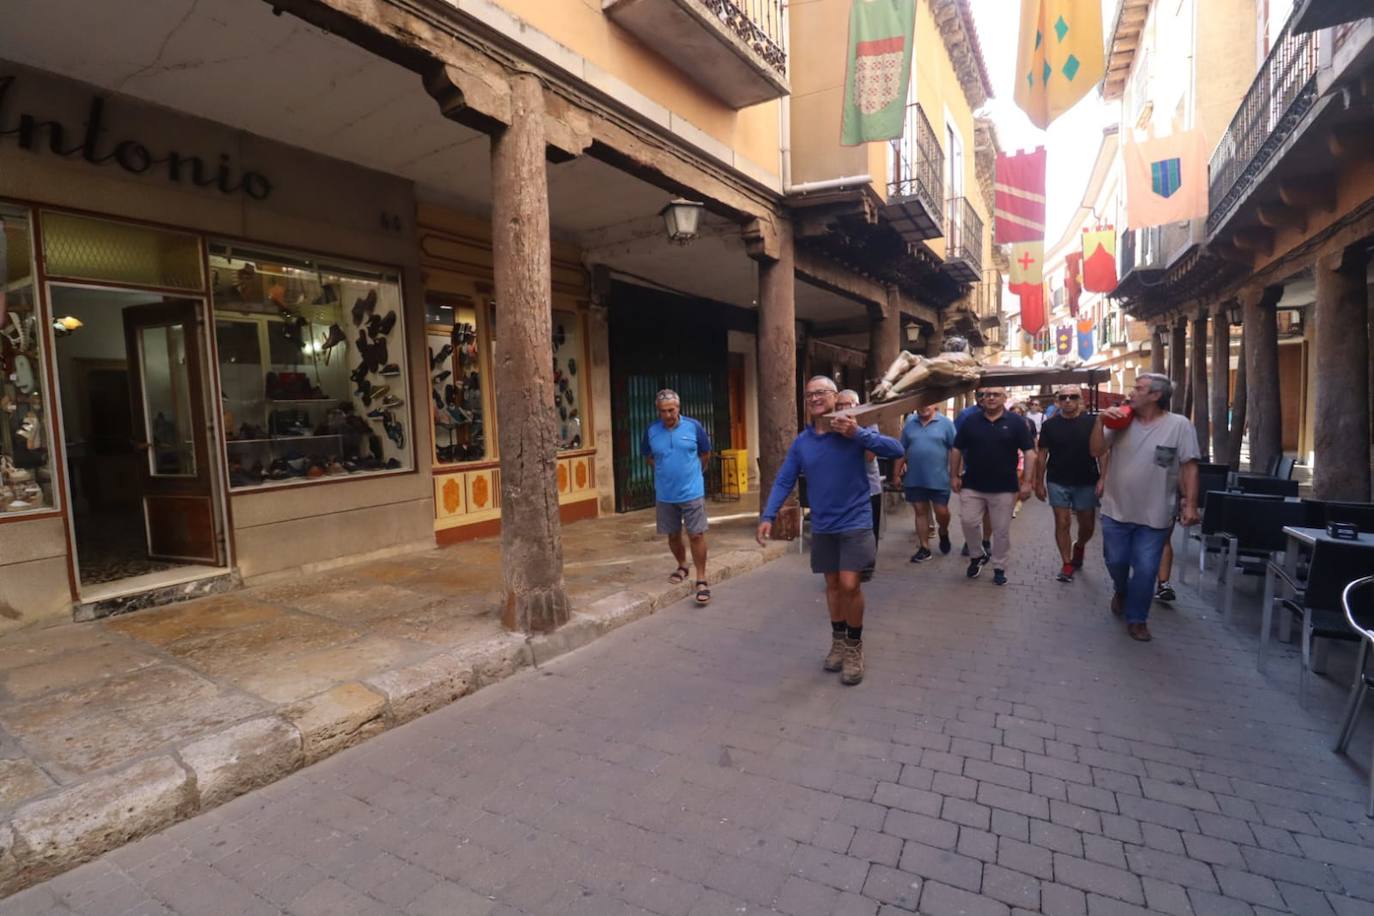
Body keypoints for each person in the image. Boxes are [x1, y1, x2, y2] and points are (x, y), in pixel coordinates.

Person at [757, 376, 903, 685]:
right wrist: (768, 515)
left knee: (851, 584)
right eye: (809, 394)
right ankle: (838, 640)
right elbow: (785, 479)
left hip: (856, 520)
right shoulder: (803, 442)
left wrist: (858, 433)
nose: (814, 398)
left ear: (835, 397)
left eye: (821, 392)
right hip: (824, 525)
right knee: (833, 585)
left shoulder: (852, 431)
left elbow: (895, 448)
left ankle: (854, 645)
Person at [1090, 373, 1200, 642]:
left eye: (1138, 388)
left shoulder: (1179, 426)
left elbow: (1189, 466)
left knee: (1147, 569)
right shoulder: (1120, 421)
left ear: (1155, 396)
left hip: (1157, 513)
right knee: (1116, 561)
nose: (1131, 392)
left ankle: (1137, 618)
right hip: (1116, 509)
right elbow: (1095, 450)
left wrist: (1191, 504)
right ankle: (1121, 589)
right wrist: (1100, 420)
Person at [949, 386, 1035, 586]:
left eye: (996, 394)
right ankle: (977, 555)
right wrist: (953, 475)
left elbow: (1029, 452)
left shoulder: (1016, 422)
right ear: (981, 399)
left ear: (1004, 398)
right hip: (972, 483)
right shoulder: (971, 421)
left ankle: (999, 566)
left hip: (1005, 486)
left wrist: (1028, 482)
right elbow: (956, 449)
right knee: (968, 522)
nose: (991, 398)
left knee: (1001, 530)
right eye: (986, 395)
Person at [641, 388, 713, 605]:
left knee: (696, 534)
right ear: (658, 411)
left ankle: (701, 578)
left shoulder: (694, 427)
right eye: (663, 411)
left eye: (671, 410)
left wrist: (694, 476)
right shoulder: (652, 431)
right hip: (665, 495)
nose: (668, 415)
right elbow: (648, 456)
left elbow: (705, 454)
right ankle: (682, 565)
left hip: (692, 492)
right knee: (673, 535)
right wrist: (664, 473)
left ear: (678, 408)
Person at [1035, 385, 1106, 583]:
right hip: (1057, 479)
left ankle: (1080, 545)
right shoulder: (1050, 425)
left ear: (1080, 400)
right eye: (1063, 397)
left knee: (1087, 525)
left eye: (1072, 397)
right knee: (1062, 522)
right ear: (1058, 401)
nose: (1068, 401)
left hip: (1086, 480)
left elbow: (1102, 452)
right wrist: (1038, 482)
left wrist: (1103, 478)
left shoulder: (1092, 423)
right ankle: (1066, 563)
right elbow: (1042, 455)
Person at [896, 403, 956, 562]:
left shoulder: (946, 424)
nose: (924, 407)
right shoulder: (910, 423)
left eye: (928, 403)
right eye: (921, 403)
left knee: (942, 512)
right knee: (920, 512)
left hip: (939, 478)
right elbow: (902, 450)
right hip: (915, 478)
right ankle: (924, 547)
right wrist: (896, 474)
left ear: (936, 404)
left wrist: (955, 474)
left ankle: (943, 531)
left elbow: (955, 449)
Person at [836, 389, 881, 582]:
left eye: (849, 405)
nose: (844, 409)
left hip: (869, 488)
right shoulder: (834, 426)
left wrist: (854, 434)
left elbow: (870, 454)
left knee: (869, 530)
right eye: (840, 406)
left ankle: (867, 567)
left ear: (858, 405)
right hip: (844, 489)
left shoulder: (868, 423)